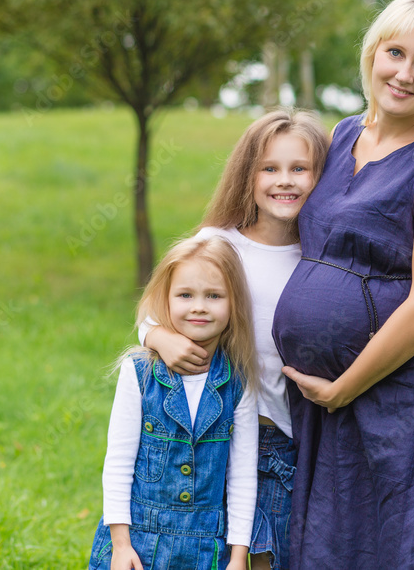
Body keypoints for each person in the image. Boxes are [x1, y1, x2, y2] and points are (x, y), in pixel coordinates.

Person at [273, 0, 414, 568]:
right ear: (372, 53)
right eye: (396, 53)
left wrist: (346, 385)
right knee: (331, 544)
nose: (404, 73)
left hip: (395, 393)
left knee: (398, 546)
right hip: (321, 400)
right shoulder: (342, 134)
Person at [141, 110, 330, 570]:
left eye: (299, 169)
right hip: (212, 430)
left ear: (323, 176)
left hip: (287, 442)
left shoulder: (323, 257)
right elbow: (155, 309)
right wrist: (160, 337)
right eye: (269, 168)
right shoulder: (220, 243)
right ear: (248, 174)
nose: (284, 181)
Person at [87, 235, 259, 570]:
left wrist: (239, 557)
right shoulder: (139, 372)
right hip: (138, 540)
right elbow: (119, 463)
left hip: (207, 547)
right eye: (185, 295)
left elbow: (242, 476)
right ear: (165, 301)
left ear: (233, 303)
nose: (199, 306)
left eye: (214, 296)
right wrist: (120, 545)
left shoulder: (239, 382)